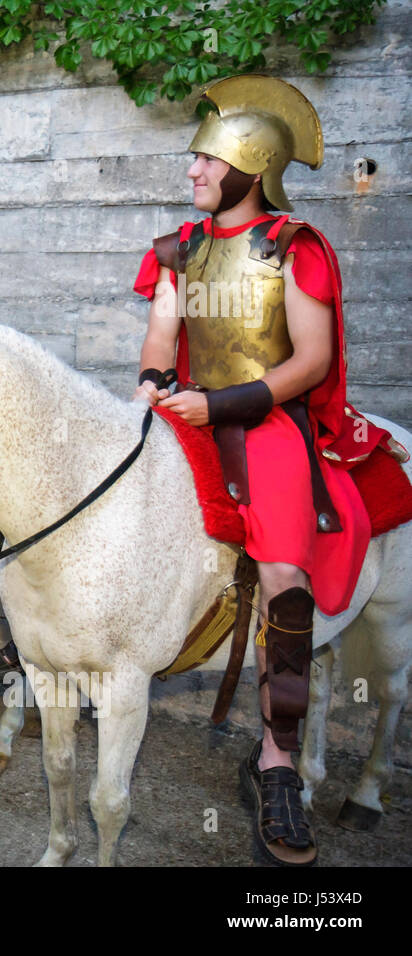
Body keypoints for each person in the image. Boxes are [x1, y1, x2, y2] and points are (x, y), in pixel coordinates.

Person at [132, 75, 399, 865]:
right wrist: (153, 384)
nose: (193, 173)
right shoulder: (179, 249)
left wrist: (228, 405)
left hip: (265, 420)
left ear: (250, 166)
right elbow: (159, 337)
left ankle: (278, 761)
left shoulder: (294, 246)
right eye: (195, 162)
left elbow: (311, 360)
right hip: (187, 412)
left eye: (207, 161)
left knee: (284, 569)